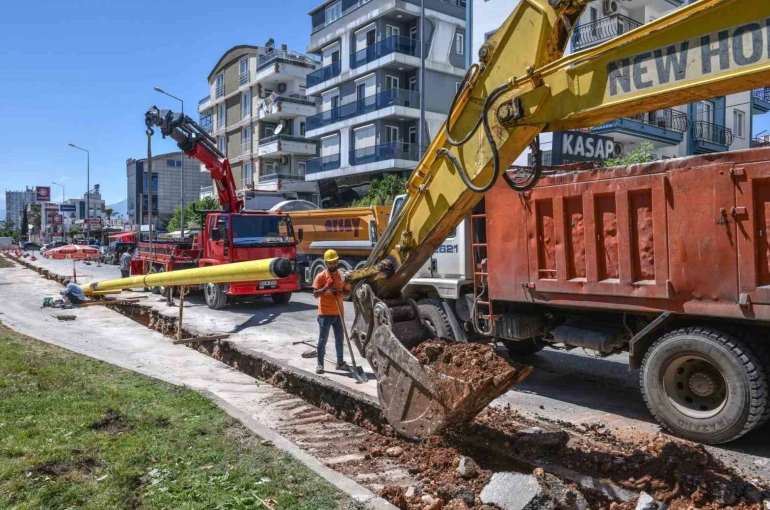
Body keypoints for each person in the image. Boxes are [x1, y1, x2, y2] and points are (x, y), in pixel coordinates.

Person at [312, 249, 351, 374]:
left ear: (337, 261)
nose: (333, 265)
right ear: (326, 263)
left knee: (340, 340)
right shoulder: (321, 276)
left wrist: (340, 292)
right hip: (324, 314)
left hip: (338, 313)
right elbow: (315, 294)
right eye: (330, 263)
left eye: (334, 262)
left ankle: (340, 363)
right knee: (323, 340)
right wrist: (326, 287)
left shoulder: (342, 275)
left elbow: (348, 292)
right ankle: (320, 364)